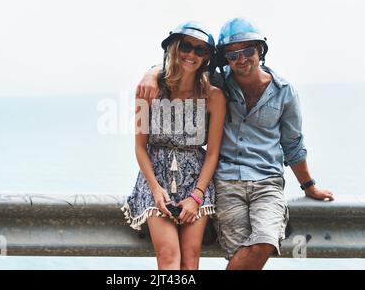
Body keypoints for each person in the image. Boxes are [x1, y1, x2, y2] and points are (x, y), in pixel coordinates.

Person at [135, 17, 334, 270]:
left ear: (260, 51)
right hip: (226, 181)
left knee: (264, 242)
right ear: (223, 60)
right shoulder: (218, 81)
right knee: (221, 254)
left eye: (248, 51)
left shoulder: (280, 91)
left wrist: (309, 186)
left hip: (265, 181)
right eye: (232, 55)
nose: (240, 59)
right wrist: (151, 72)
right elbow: (180, 67)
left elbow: (292, 143)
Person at [121, 21, 225, 270]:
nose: (192, 55)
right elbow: (140, 147)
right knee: (168, 258)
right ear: (174, 48)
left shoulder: (214, 97)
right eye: (186, 47)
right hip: (155, 179)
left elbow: (212, 154)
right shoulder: (147, 91)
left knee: (190, 263)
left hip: (195, 181)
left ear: (207, 58)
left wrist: (196, 197)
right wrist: (156, 190)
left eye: (200, 50)